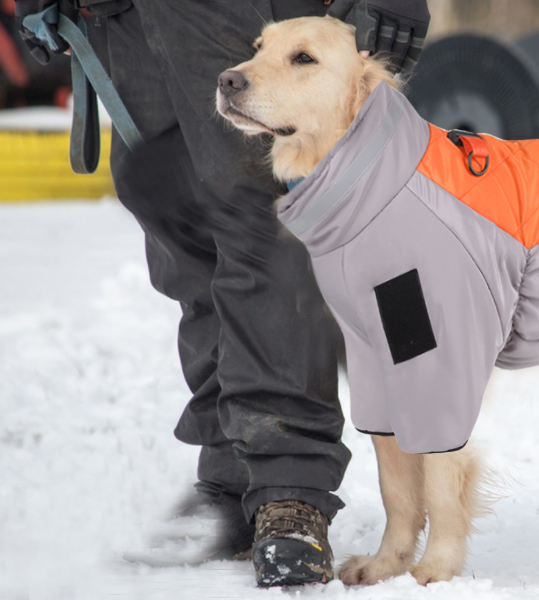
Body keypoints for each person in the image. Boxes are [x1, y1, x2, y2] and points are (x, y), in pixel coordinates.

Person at [14, 0, 430, 588]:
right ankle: (231, 476)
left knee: (263, 223)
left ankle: (289, 490)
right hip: (122, 19)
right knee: (178, 224)